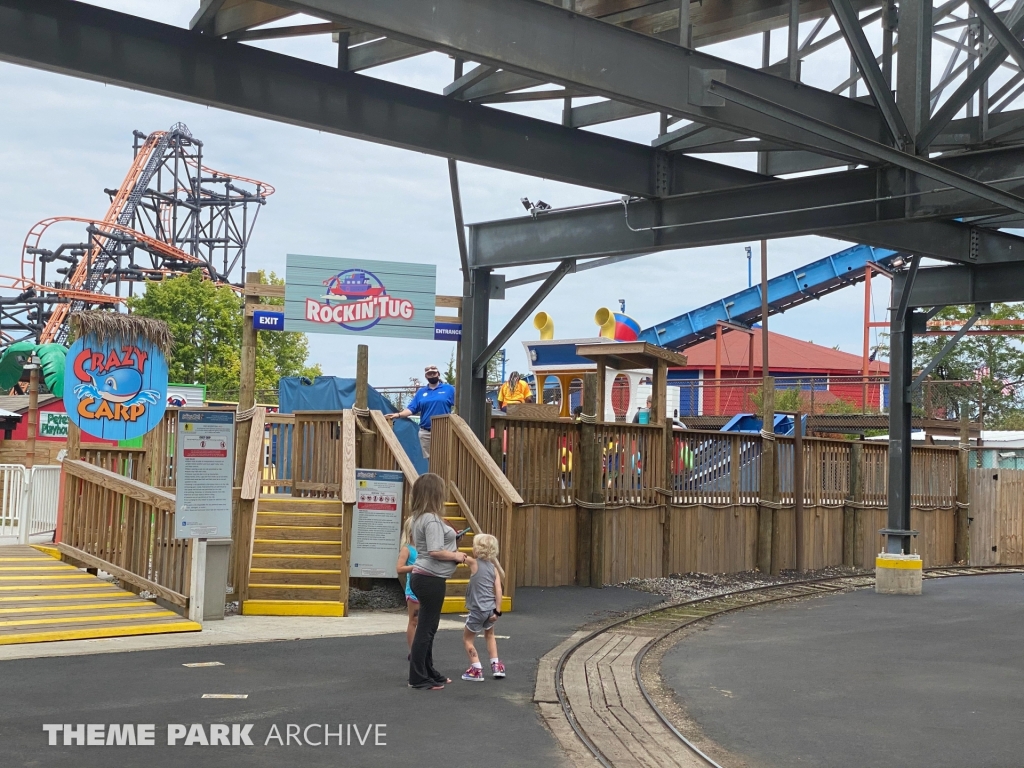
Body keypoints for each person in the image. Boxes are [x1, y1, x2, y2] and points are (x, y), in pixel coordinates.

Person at [407, 473, 467, 690]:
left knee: (428, 626)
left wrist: (452, 539)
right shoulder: (431, 519)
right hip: (430, 577)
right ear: (435, 493)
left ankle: (428, 671)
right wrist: (457, 556)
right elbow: (434, 551)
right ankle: (417, 677)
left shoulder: (419, 517)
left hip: (424, 576)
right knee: (426, 628)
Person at [460, 533, 506, 681]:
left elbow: (458, 557)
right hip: (491, 610)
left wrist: (454, 543)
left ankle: (476, 668)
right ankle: (496, 666)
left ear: (477, 549)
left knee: (467, 639)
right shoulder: (494, 568)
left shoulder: (473, 563)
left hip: (477, 610)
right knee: (490, 635)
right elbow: (498, 590)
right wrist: (497, 611)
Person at [387, 364, 454, 459]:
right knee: (431, 459)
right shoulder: (421, 392)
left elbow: (460, 404)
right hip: (426, 432)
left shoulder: (449, 389)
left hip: (444, 430)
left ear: (438, 374)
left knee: (445, 458)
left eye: (434, 373)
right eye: (429, 374)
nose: (432, 375)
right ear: (426, 376)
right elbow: (411, 409)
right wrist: (398, 414)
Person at [396, 516, 419, 657]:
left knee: (424, 622)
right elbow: (399, 569)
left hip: (425, 589)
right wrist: (414, 567)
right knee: (414, 620)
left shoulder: (425, 547)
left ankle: (421, 650)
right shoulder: (407, 549)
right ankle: (412, 651)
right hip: (413, 588)